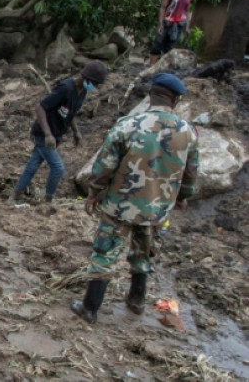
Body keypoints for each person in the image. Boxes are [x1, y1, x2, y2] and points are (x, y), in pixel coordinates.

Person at [72, 73, 199, 324]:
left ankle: (90, 308)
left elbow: (105, 165)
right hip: (157, 210)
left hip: (120, 205)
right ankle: (137, 301)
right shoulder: (188, 132)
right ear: (174, 100)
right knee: (144, 254)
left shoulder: (128, 124)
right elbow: (191, 172)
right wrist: (183, 197)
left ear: (151, 95)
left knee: (104, 254)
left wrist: (95, 192)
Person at [9, 60, 108, 206]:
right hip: (43, 133)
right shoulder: (65, 88)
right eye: (96, 83)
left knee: (33, 165)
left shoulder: (82, 91)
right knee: (58, 168)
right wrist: (48, 134)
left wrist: (76, 132)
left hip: (56, 134)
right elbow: (40, 108)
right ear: (87, 79)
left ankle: (14, 196)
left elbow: (71, 112)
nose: (96, 87)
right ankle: (48, 201)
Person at [149, 0, 194, 66]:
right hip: (167, 22)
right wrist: (160, 23)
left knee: (170, 47)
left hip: (179, 24)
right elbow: (163, 7)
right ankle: (151, 66)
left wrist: (187, 27)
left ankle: (163, 68)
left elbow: (188, 11)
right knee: (157, 44)